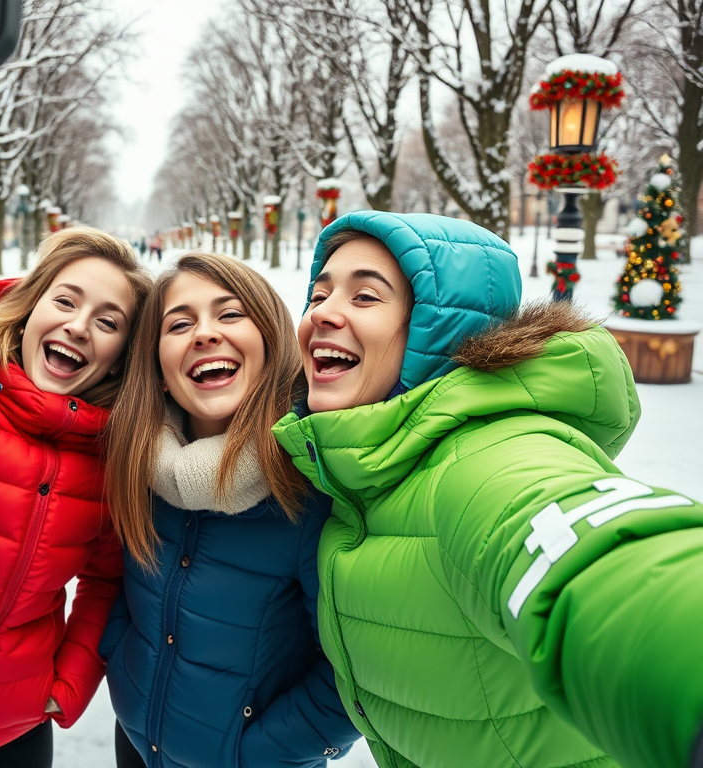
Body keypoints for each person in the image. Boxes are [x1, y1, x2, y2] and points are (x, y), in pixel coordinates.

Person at [271, 211, 703, 768]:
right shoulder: (365, 468)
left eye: (366, 298)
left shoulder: (485, 458)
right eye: (320, 293)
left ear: (435, 328)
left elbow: (597, 555)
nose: (322, 313)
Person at [99, 253, 361, 768]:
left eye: (230, 314)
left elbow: (351, 669)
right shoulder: (135, 464)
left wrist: (262, 753)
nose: (204, 334)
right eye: (179, 323)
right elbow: (118, 590)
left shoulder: (311, 485)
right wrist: (123, 671)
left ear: (269, 337)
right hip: (135, 742)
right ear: (155, 359)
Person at [0, 227, 153, 766]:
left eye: (107, 321)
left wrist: (70, 679)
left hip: (16, 730)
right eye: (65, 301)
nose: (78, 327)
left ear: (121, 356)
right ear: (30, 308)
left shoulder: (110, 457)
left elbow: (104, 580)